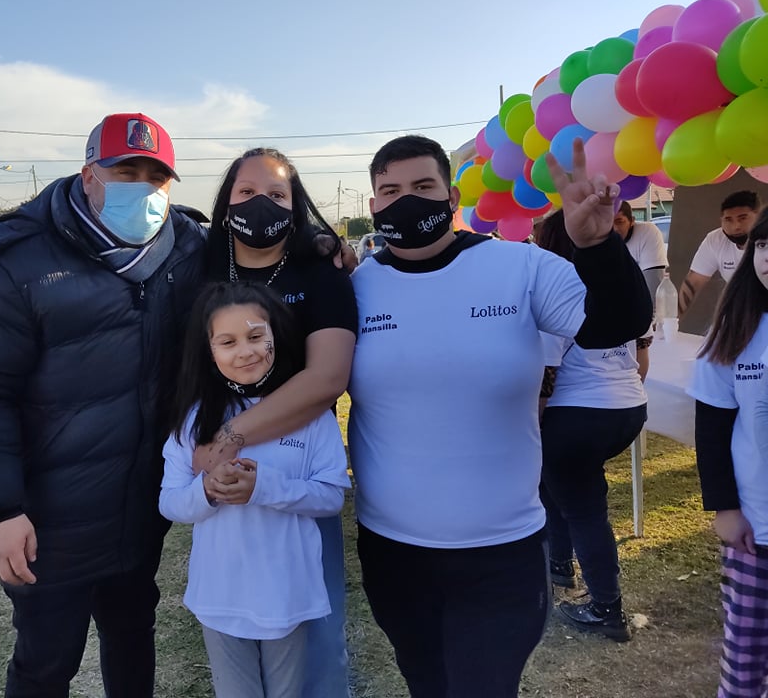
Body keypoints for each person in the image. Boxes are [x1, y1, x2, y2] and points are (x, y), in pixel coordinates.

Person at [346, 135, 652, 697]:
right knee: (425, 682)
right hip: (393, 549)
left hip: (501, 548)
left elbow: (616, 325)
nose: (406, 200)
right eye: (390, 191)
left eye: (423, 186)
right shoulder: (355, 288)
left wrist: (598, 245)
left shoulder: (520, 266)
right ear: (373, 205)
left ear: (452, 197)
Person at [0, 112, 209, 698]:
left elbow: (256, 272)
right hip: (49, 519)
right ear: (90, 175)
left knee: (133, 635)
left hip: (140, 506)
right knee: (45, 662)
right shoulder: (17, 259)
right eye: (127, 172)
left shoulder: (188, 246)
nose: (144, 188)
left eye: (156, 177)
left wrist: (322, 250)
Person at [196, 147, 357, 697]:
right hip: (217, 478)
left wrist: (229, 439)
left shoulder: (321, 270)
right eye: (246, 192)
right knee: (236, 621)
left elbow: (327, 377)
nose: (260, 203)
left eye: (276, 194)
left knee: (317, 634)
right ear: (226, 204)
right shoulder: (201, 265)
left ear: (295, 204)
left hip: (299, 465)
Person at [160, 281, 350, 698]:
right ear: (208, 351)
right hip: (220, 596)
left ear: (276, 336)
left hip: (288, 595)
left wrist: (264, 487)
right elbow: (170, 502)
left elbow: (331, 496)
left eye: (255, 336)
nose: (245, 352)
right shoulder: (193, 421)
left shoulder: (310, 417)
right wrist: (208, 490)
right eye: (227, 342)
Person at [535, 210, 648, 642]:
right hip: (628, 406)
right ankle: (559, 565)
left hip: (577, 413)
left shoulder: (556, 290)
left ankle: (606, 607)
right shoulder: (619, 285)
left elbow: (545, 377)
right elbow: (642, 354)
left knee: (582, 507)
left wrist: (530, 429)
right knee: (558, 485)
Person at [688, 205, 768, 697]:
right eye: (762, 244)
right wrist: (725, 508)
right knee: (745, 662)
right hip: (756, 531)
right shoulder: (734, 331)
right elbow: (712, 429)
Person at [679, 190, 761, 318]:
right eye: (728, 220)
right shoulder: (715, 240)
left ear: (759, 217)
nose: (736, 226)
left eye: (743, 218)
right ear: (721, 221)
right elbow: (693, 282)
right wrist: (669, 320)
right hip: (741, 314)